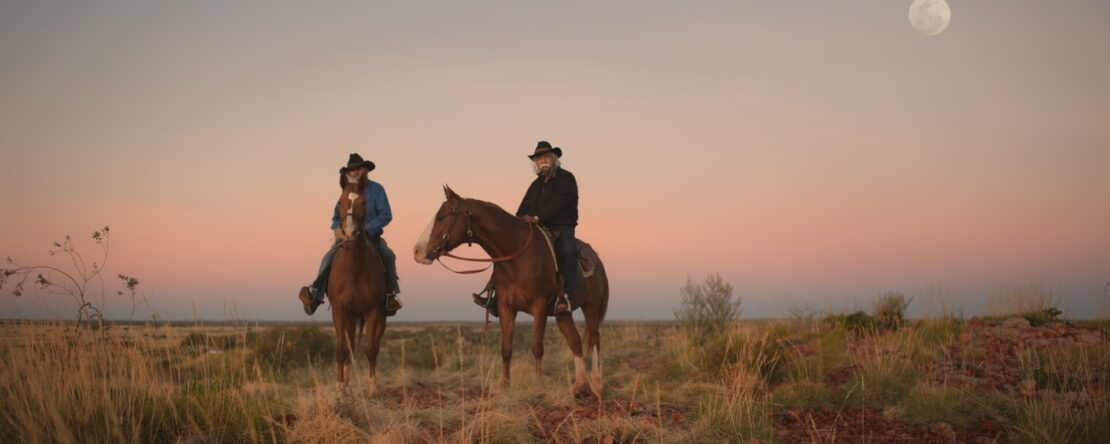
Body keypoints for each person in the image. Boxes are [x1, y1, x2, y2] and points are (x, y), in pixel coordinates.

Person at [298, 153, 401, 316]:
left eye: (358, 169)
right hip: (345, 237)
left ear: (365, 170)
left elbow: (386, 214)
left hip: (370, 237)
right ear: (348, 173)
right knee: (328, 257)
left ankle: (390, 295)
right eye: (351, 170)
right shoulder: (345, 192)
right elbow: (335, 216)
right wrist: (338, 229)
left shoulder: (377, 189)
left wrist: (368, 229)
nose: (355, 172)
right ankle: (315, 294)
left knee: (388, 255)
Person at [516, 140, 582, 314]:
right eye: (538, 158)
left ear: (554, 158)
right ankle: (496, 293)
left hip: (561, 226)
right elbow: (522, 209)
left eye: (546, 156)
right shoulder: (535, 185)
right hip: (537, 230)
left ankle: (565, 297)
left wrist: (537, 217)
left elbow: (561, 203)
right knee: (508, 246)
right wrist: (517, 222)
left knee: (568, 251)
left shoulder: (567, 178)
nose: (542, 160)